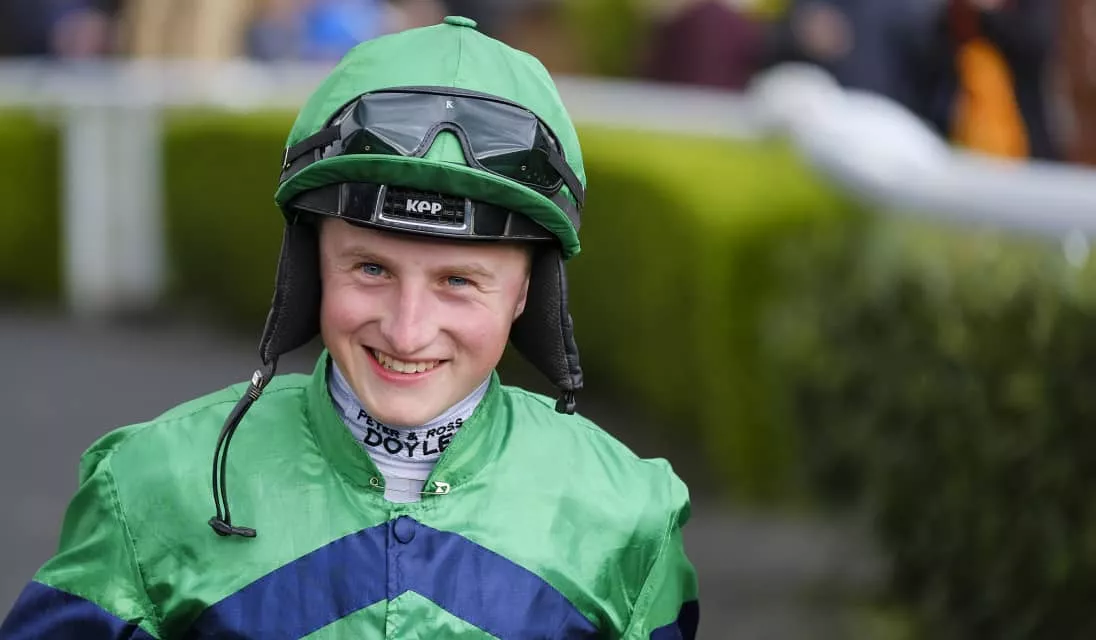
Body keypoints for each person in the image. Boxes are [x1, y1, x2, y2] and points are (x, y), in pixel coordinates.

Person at [0, 15, 700, 639]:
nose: (407, 330)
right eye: (370, 269)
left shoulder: (630, 515)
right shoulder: (148, 484)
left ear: (527, 294)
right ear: (310, 271)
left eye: (458, 282)